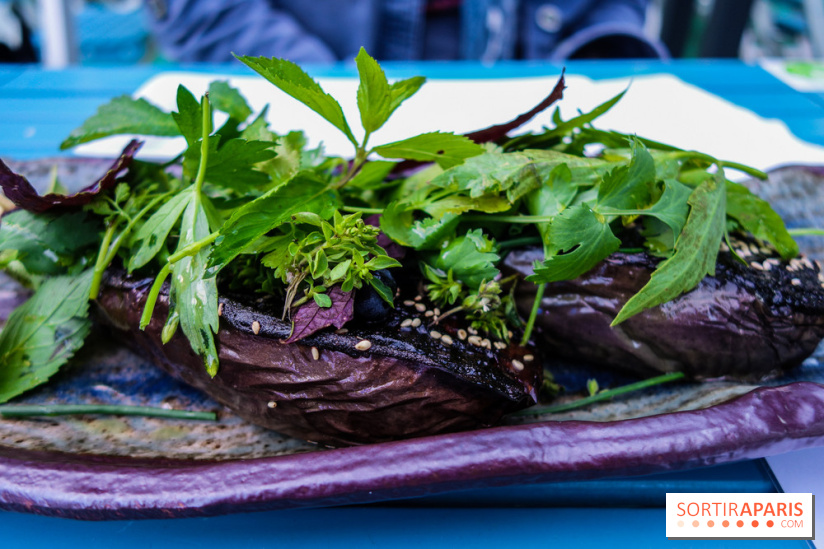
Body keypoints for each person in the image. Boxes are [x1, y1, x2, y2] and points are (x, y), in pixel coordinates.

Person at [145, 0, 667, 63]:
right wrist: (319, 94)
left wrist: (604, 54)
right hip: (310, 62)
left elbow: (605, 11)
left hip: (526, 70)